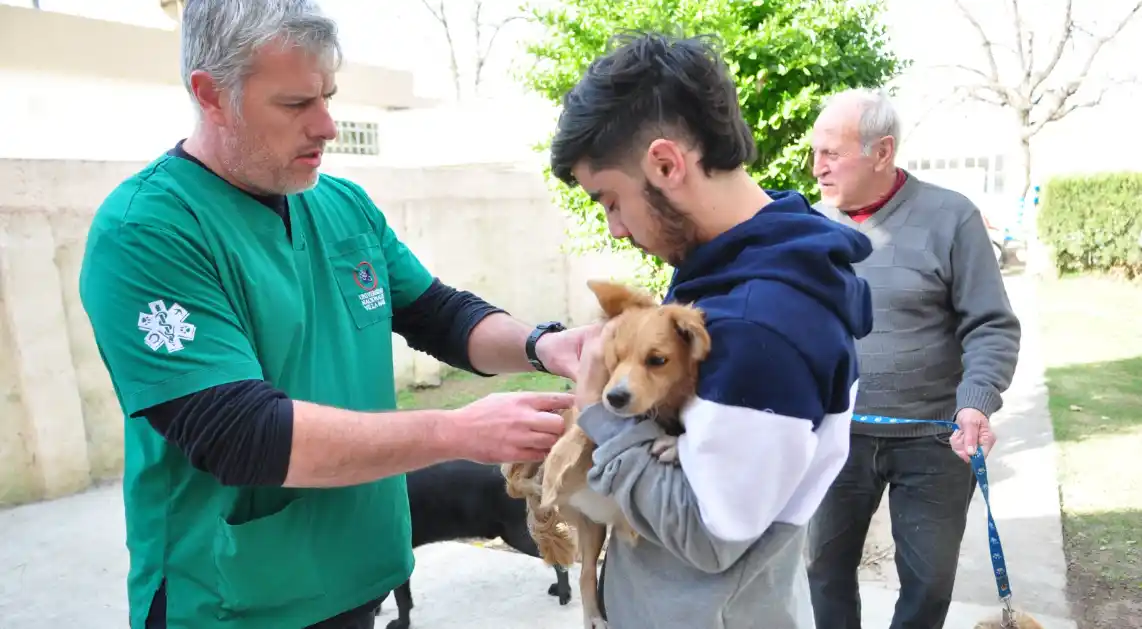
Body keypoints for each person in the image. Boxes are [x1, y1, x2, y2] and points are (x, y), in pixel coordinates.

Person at [76, 1, 594, 628]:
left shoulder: (341, 204)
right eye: (296, 104)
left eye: (328, 95)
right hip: (235, 597)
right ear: (211, 94)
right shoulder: (149, 231)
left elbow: (440, 315)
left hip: (359, 570)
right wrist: (456, 431)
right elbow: (241, 435)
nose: (326, 124)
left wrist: (544, 346)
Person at [548, 31, 876, 629]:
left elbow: (706, 538)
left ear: (667, 164)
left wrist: (599, 410)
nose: (615, 227)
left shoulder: (759, 326)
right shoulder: (735, 273)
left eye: (611, 200)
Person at [806, 87, 1021, 629]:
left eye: (832, 153)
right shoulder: (810, 229)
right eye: (816, 153)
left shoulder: (952, 217)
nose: (818, 168)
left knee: (927, 585)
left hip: (935, 439)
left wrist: (976, 403)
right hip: (837, 438)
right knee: (824, 570)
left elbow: (991, 324)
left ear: (882, 152)